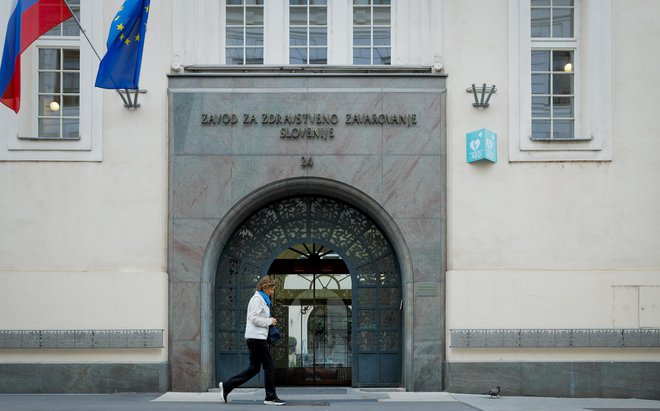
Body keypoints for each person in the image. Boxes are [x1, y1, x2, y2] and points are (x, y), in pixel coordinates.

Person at [218, 275, 285, 406]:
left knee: (254, 369)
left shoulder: (263, 300)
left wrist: (269, 321)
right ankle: (270, 397)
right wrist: (269, 321)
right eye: (272, 289)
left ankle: (227, 386)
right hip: (257, 339)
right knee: (269, 367)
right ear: (265, 288)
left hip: (257, 338)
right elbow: (253, 318)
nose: (273, 291)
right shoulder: (257, 300)